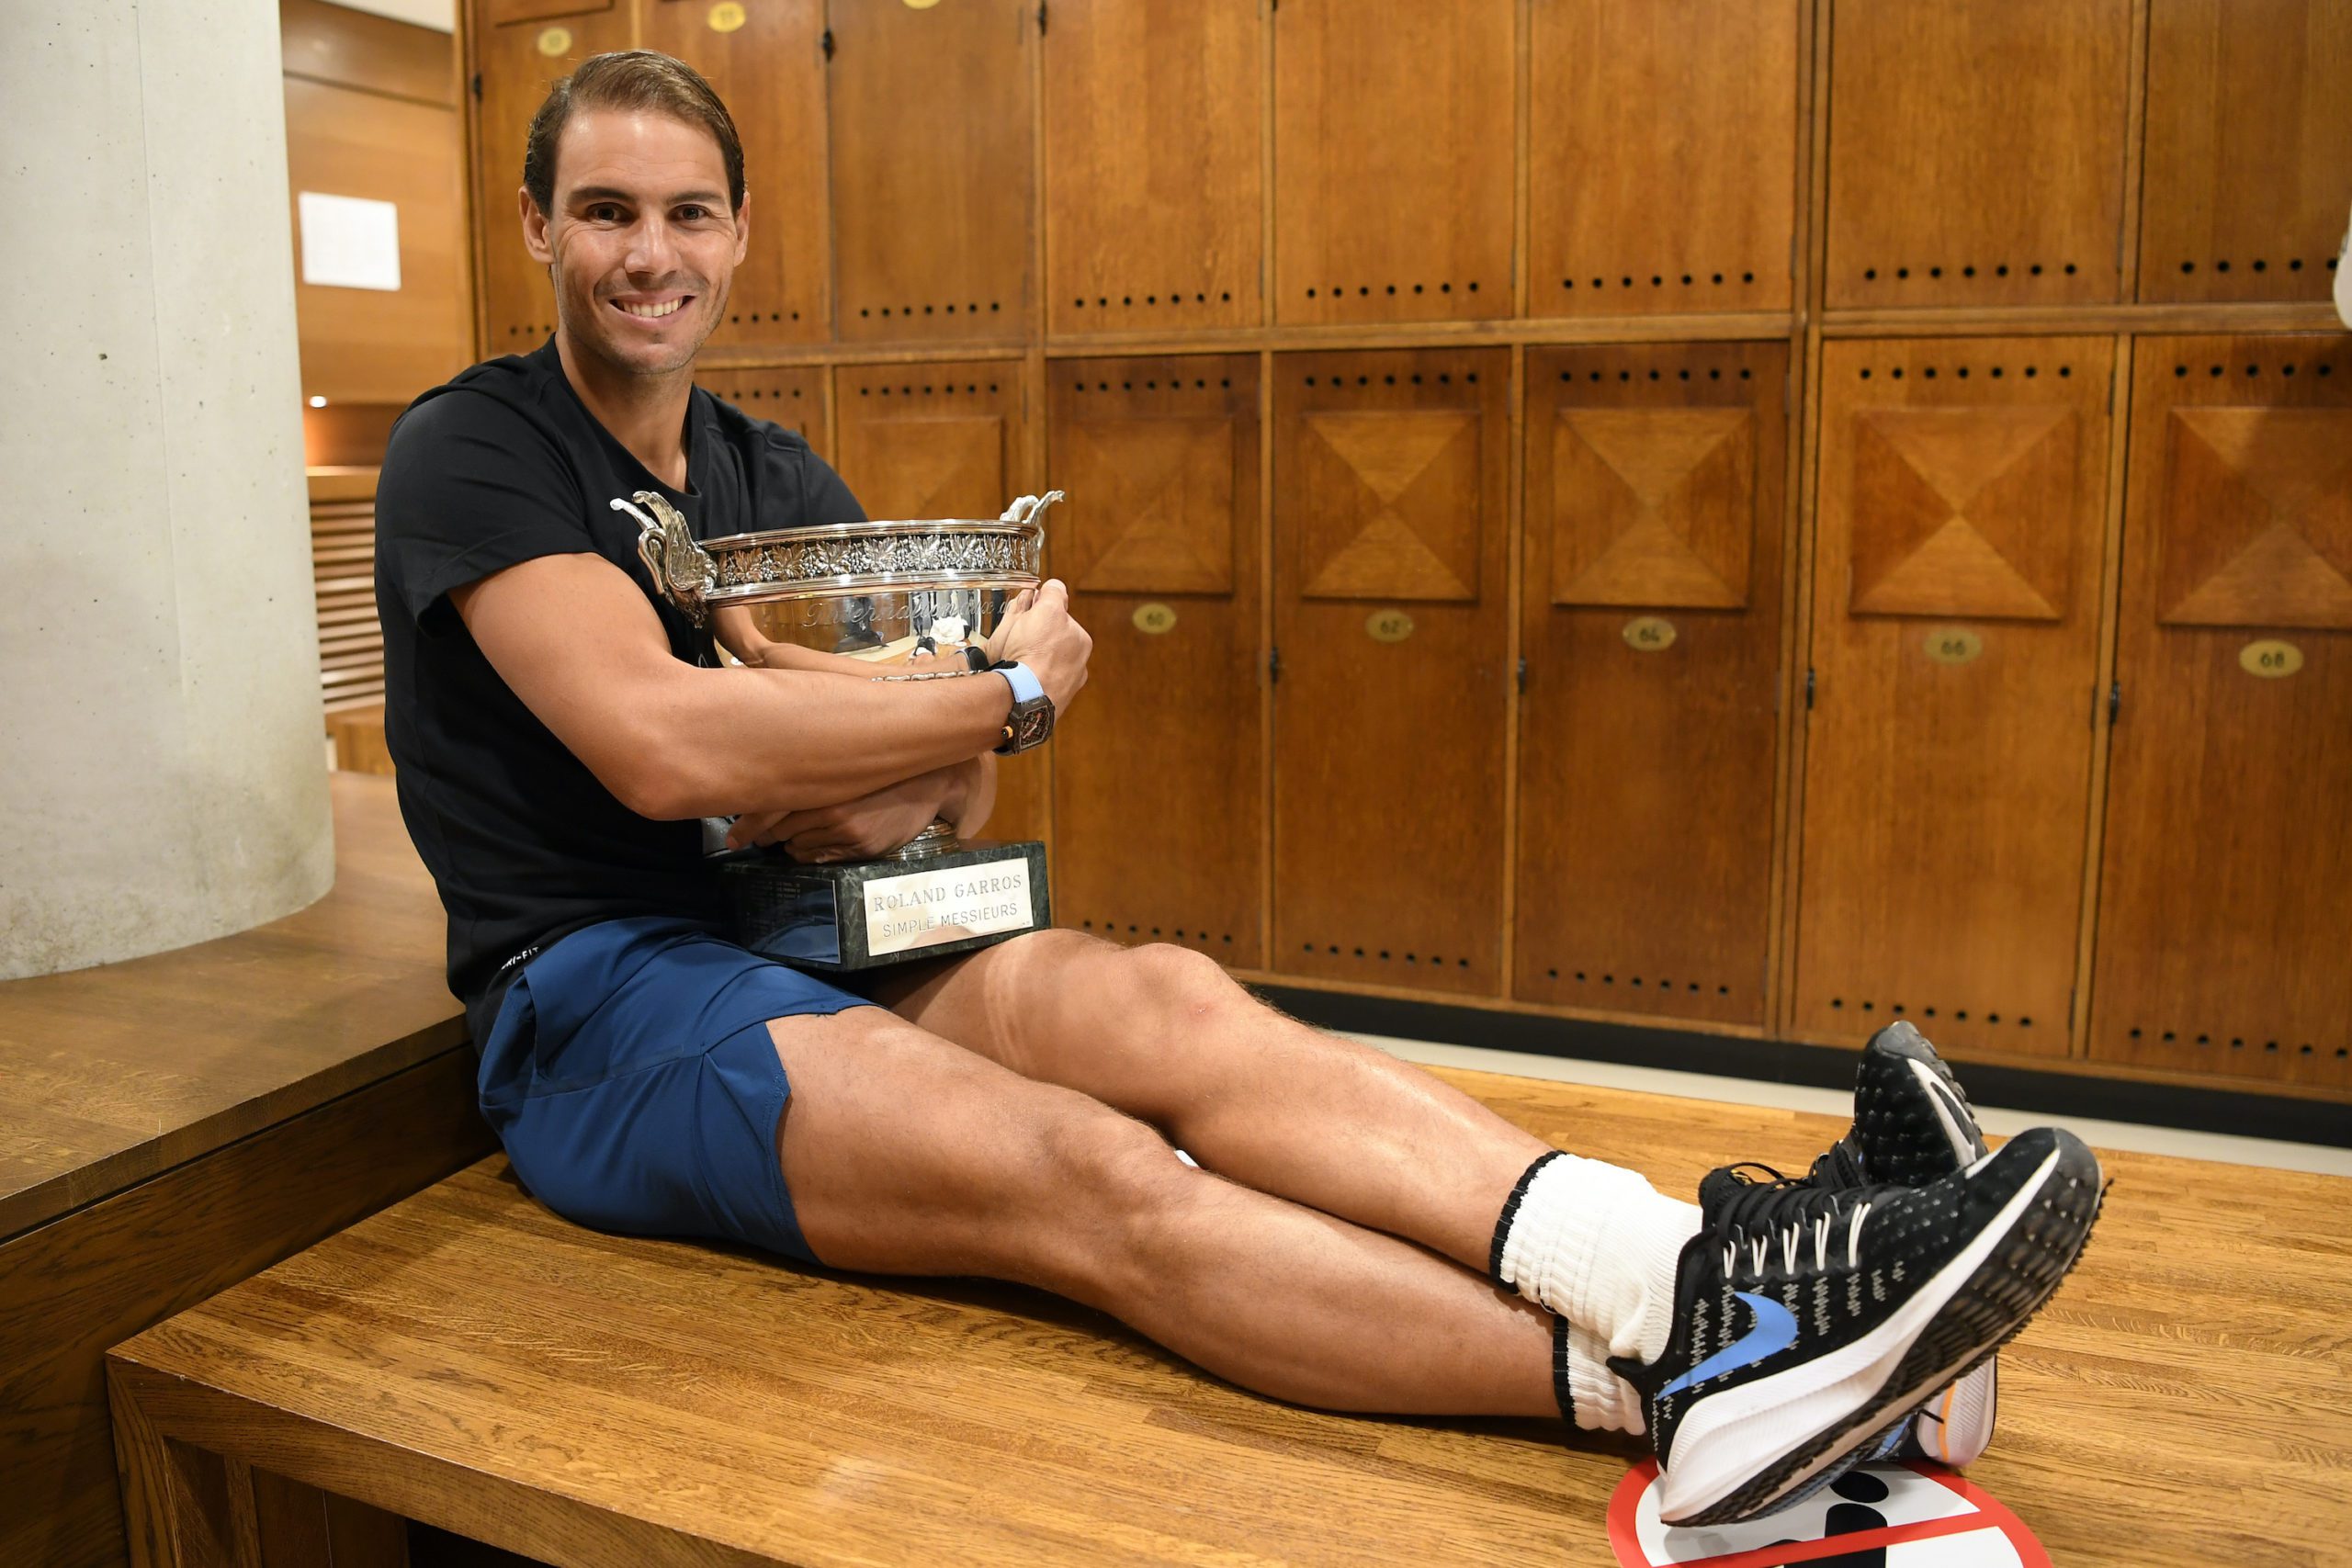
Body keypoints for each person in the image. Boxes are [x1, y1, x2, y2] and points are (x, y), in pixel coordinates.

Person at [374, 51, 2102, 1528]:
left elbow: (957, 793)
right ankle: (1712, 1384)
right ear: (537, 226)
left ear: (740, 232)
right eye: (606, 211)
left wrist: (932, 744)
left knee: (1176, 1006)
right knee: (1088, 1165)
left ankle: (1723, 1276)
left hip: (819, 930)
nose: (650, 254)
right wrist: (989, 699)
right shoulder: (480, 448)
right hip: (602, 994)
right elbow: (670, 747)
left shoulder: (769, 473)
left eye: (687, 213)